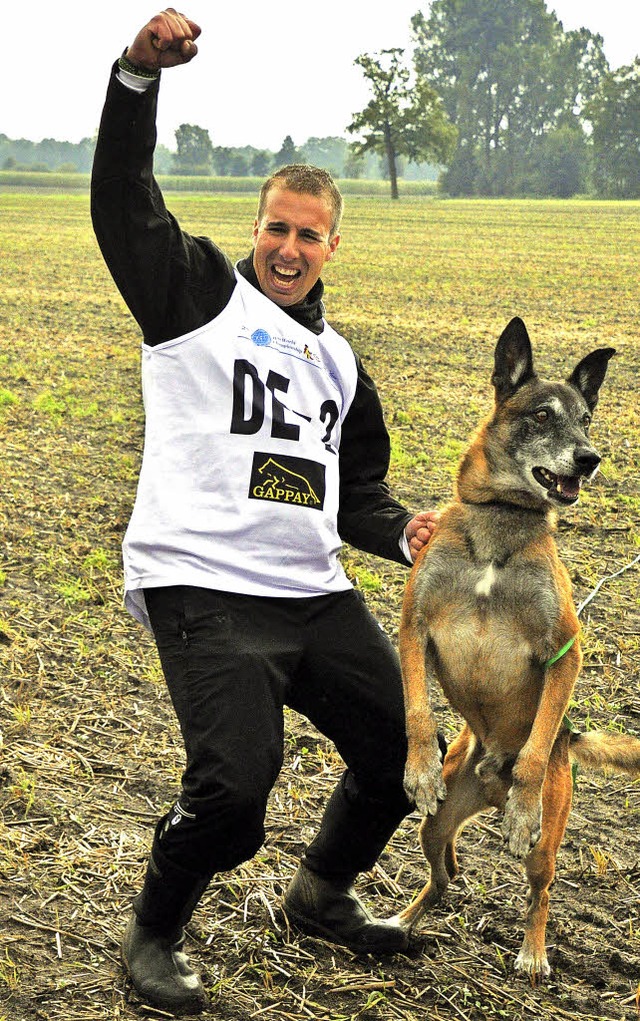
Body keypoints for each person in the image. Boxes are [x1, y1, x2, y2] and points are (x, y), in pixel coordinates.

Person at [91, 9, 444, 1014]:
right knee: (235, 794)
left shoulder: (337, 364)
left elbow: (345, 488)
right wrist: (135, 76)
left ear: (336, 242)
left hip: (309, 596)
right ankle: (153, 932)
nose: (290, 249)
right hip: (201, 586)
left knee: (400, 752)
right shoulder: (194, 295)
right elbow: (123, 202)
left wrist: (398, 530)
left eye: (309, 235)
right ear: (257, 229)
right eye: (275, 228)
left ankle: (322, 893)